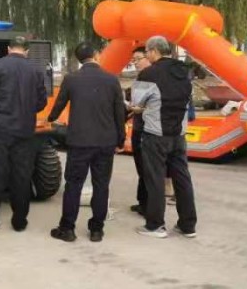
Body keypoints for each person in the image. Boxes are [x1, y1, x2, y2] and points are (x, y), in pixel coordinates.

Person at [47, 42, 125, 242]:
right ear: (96, 55)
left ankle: (67, 228)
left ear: (80, 59)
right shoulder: (111, 80)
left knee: (73, 184)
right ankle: (97, 230)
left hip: (79, 141)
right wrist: (120, 139)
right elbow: (119, 113)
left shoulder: (71, 79)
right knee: (101, 185)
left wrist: (50, 118)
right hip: (105, 142)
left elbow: (59, 105)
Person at [0, 36, 48, 233]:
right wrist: (26, 112)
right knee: (22, 176)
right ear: (27, 51)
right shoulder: (36, 70)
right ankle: (19, 222)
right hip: (25, 130)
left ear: (8, 49)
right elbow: (42, 102)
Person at [131, 36, 197, 239]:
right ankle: (188, 225)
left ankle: (155, 225)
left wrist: (140, 108)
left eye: (147, 52)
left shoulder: (149, 73)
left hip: (155, 134)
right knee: (182, 178)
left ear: (153, 51)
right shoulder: (185, 71)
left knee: (155, 179)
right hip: (179, 134)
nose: (147, 56)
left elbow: (136, 103)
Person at [128, 47, 151, 216]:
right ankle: (142, 201)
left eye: (138, 59)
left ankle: (149, 205)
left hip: (147, 128)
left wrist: (140, 109)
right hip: (137, 126)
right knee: (141, 167)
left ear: (148, 57)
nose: (135, 63)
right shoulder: (140, 77)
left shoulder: (153, 78)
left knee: (146, 168)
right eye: (133, 60)